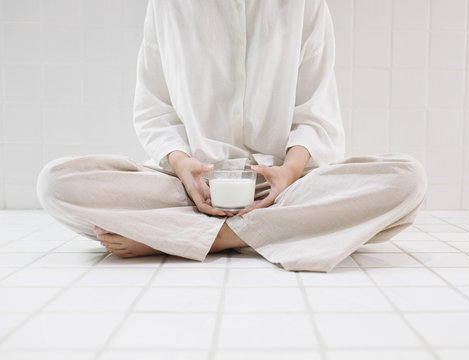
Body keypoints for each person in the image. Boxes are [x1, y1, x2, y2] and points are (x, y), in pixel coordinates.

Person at [36, 0, 427, 273]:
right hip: (188, 192)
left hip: (284, 192)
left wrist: (289, 173)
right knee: (57, 182)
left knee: (407, 180)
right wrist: (183, 165)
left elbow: (315, 108)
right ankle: (284, 234)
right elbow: (154, 107)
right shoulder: (169, 4)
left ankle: (184, 240)